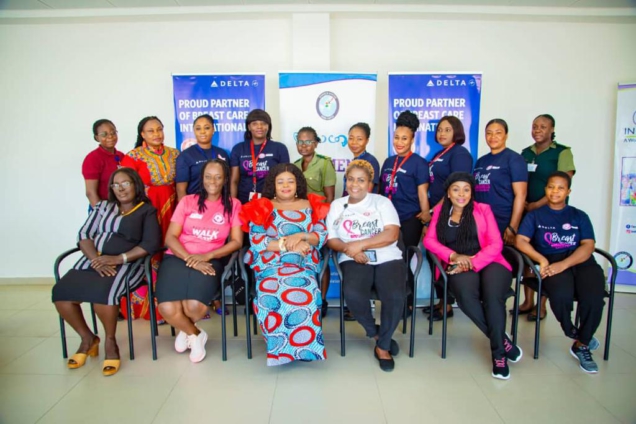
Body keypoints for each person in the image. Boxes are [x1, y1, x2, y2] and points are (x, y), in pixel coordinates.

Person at [52, 168, 161, 376]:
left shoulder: (145, 211)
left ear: (135, 184)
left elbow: (150, 243)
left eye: (125, 183)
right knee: (61, 293)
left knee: (104, 294)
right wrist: (96, 260)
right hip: (92, 261)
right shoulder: (103, 207)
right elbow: (84, 234)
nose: (121, 189)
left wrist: (118, 259)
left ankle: (110, 341)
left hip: (128, 264)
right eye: (116, 185)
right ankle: (88, 338)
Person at [424, 172, 522, 380]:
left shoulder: (483, 209)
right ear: (448, 193)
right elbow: (429, 241)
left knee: (493, 297)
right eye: (456, 189)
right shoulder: (441, 211)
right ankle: (502, 340)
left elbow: (496, 244)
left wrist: (472, 262)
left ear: (471, 192)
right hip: (458, 263)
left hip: (490, 261)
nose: (461, 194)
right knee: (466, 298)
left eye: (466, 190)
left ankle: (499, 355)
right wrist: (454, 256)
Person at [515, 171, 605, 373]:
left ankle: (581, 344)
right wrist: (542, 259)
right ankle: (572, 331)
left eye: (560, 188)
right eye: (551, 187)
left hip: (580, 262)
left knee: (594, 298)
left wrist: (564, 264)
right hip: (551, 261)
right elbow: (520, 241)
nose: (555, 191)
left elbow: (588, 245)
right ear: (545, 189)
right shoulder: (534, 215)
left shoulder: (579, 215)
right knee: (560, 295)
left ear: (568, 192)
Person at [240, 164, 329, 366]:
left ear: (298, 184)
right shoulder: (261, 206)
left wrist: (302, 236)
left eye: (290, 181)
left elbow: (321, 236)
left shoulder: (312, 205)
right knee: (271, 293)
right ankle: (280, 349)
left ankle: (305, 348)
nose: (286, 186)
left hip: (302, 265)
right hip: (271, 266)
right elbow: (257, 241)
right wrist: (288, 244)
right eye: (280, 182)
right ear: (273, 185)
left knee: (305, 292)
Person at [156, 159, 242, 363]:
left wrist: (207, 256)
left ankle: (185, 330)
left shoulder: (233, 205)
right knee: (167, 308)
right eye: (208, 176)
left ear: (225, 179)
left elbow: (237, 242)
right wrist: (190, 258)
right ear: (202, 178)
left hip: (210, 259)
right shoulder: (187, 201)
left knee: (194, 306)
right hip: (178, 257)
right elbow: (170, 237)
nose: (213, 181)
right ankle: (195, 334)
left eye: (218, 177)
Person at [326, 160, 406, 372]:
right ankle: (376, 333)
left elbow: (392, 234)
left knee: (395, 295)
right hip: (352, 257)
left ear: (370, 183)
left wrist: (360, 244)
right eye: (351, 179)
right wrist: (350, 250)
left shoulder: (382, 202)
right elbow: (332, 239)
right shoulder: (337, 206)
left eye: (361, 180)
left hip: (387, 256)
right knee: (353, 293)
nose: (355, 184)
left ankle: (383, 347)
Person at [121, 116, 179, 321]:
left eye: (159, 129)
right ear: (142, 134)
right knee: (150, 254)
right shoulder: (133, 156)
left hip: (173, 210)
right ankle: (149, 308)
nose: (157, 134)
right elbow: (125, 188)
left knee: (171, 253)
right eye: (151, 131)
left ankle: (173, 305)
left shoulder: (174, 153)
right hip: (147, 213)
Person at [519, 114, 576, 320]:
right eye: (534, 126)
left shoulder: (561, 152)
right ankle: (527, 301)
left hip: (551, 212)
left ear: (552, 130)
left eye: (543, 127)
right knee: (527, 255)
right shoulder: (526, 153)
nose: (537, 130)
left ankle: (541, 305)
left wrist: (538, 204)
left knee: (547, 254)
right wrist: (525, 204)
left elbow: (563, 182)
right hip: (527, 212)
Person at [379, 110, 431, 314]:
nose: (399, 142)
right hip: (388, 220)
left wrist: (426, 220)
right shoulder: (388, 162)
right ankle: (392, 300)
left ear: (412, 139)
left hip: (410, 219)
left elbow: (422, 193)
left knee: (403, 259)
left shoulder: (419, 163)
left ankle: (406, 302)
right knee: (389, 260)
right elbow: (381, 192)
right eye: (396, 137)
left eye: (404, 138)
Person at [426, 115, 474, 321]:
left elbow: (457, 190)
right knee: (435, 256)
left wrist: (433, 210)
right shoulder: (440, 153)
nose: (441, 133)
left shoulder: (460, 154)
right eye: (439, 130)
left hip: (448, 213)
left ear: (457, 132)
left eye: (447, 129)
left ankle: (446, 305)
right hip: (436, 212)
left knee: (446, 256)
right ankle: (441, 301)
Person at [293, 126, 336, 317]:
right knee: (304, 257)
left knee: (322, 259)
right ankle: (304, 298)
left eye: (308, 142)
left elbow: (330, 198)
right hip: (300, 220)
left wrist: (321, 223)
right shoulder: (294, 165)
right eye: (300, 142)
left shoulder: (325, 164)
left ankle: (322, 300)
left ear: (316, 143)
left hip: (318, 220)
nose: (303, 145)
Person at [474, 119, 528, 243]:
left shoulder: (514, 159)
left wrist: (513, 226)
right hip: (480, 221)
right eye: (489, 133)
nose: (493, 137)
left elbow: (521, 194)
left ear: (506, 135)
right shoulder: (481, 161)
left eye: (498, 133)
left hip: (503, 221)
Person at [230, 109, 290, 205]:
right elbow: (234, 181)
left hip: (272, 201)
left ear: (268, 126)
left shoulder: (280, 148)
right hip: (244, 202)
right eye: (255, 124)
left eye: (263, 123)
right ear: (249, 127)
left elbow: (285, 179)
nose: (259, 127)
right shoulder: (238, 149)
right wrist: (233, 205)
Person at [175, 114, 229, 202]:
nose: (202, 132)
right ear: (194, 131)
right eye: (198, 128)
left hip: (219, 203)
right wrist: (185, 208)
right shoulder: (185, 156)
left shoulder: (222, 153)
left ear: (213, 130)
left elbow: (227, 183)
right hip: (195, 204)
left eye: (207, 128)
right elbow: (181, 190)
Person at [82, 119, 124, 209]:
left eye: (113, 132)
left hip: (123, 206)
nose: (110, 136)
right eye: (104, 134)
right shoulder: (92, 158)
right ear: (96, 137)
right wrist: (102, 213)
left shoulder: (121, 156)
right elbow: (90, 193)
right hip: (103, 207)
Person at [344, 122, 380, 195]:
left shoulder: (370, 161)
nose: (354, 142)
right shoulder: (354, 161)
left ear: (367, 141)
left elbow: (366, 193)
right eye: (351, 138)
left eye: (359, 139)